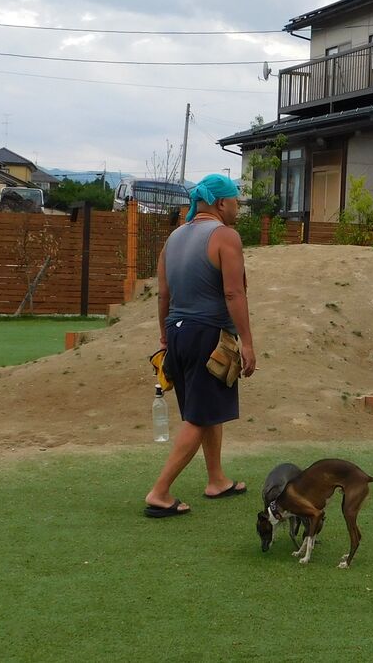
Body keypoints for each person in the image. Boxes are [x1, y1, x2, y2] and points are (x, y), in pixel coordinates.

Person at [144, 173, 257, 517]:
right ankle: (159, 492)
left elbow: (164, 295)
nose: (238, 208)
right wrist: (247, 343)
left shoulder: (174, 238)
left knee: (208, 410)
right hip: (207, 336)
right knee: (197, 418)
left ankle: (216, 479)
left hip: (178, 334)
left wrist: (165, 337)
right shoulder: (225, 236)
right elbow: (234, 293)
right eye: (236, 201)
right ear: (221, 203)